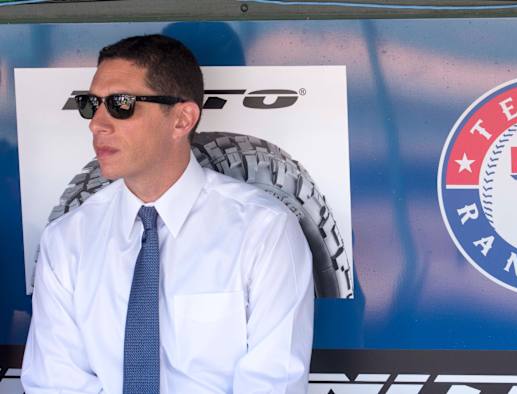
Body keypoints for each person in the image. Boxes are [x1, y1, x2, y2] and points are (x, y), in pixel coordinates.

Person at [21, 34, 314, 394]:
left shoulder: (264, 231)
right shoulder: (67, 240)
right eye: (90, 104)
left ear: (182, 119)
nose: (96, 123)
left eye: (121, 104)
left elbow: (273, 385)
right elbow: (55, 384)